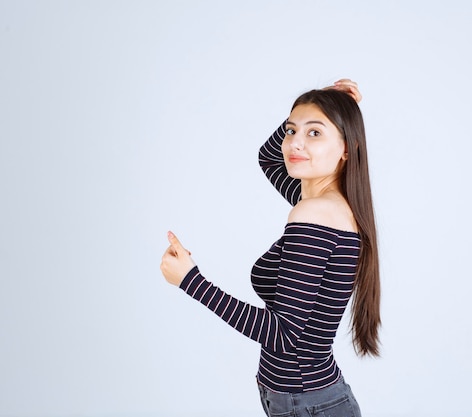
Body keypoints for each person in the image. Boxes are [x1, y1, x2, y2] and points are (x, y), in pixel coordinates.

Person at [160, 79, 380, 417]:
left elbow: (283, 335)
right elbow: (268, 157)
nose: (295, 144)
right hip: (304, 398)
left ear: (347, 148)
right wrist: (326, 103)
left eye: (315, 134)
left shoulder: (315, 213)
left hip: (306, 402)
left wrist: (191, 282)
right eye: (292, 131)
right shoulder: (328, 204)